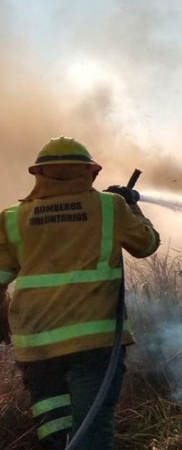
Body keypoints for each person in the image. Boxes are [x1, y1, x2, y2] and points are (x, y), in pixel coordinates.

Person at [0, 136, 160, 449]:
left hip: (36, 344)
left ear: (40, 175)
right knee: (92, 427)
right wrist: (132, 207)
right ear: (89, 173)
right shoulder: (109, 207)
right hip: (94, 342)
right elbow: (147, 244)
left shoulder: (11, 219)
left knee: (54, 425)